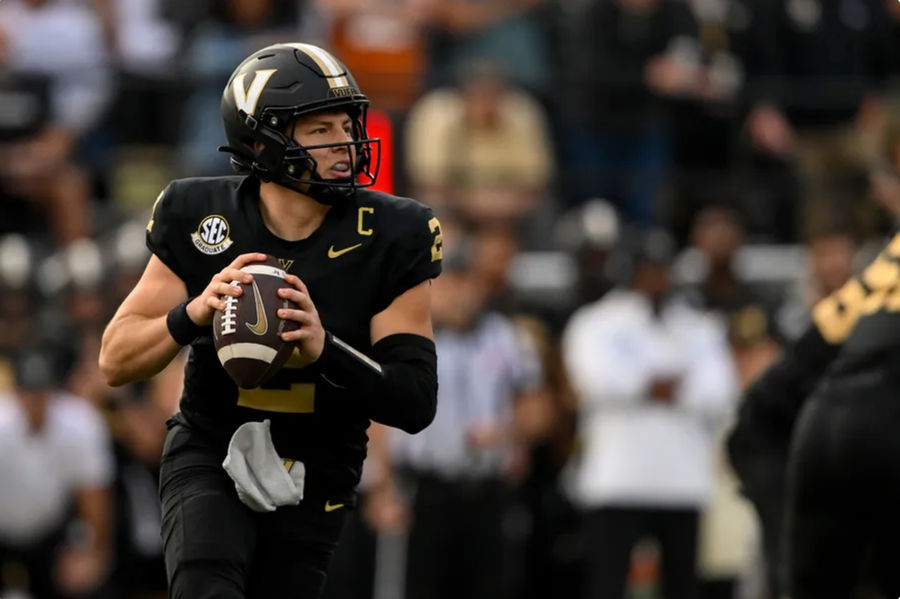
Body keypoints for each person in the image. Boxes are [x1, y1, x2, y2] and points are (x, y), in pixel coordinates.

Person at [98, 42, 443, 599]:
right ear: (262, 141)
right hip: (211, 447)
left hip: (321, 464)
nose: (346, 143)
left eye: (346, 122)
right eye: (320, 128)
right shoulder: (200, 214)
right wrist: (194, 312)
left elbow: (415, 401)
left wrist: (324, 347)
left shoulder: (393, 232)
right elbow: (115, 360)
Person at [562, 230, 739, 599]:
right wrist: (659, 384)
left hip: (682, 482)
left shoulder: (698, 324)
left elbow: (720, 389)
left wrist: (647, 385)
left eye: (662, 270)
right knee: (607, 586)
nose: (657, 279)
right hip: (616, 481)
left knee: (681, 587)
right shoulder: (596, 322)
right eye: (648, 270)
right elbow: (597, 379)